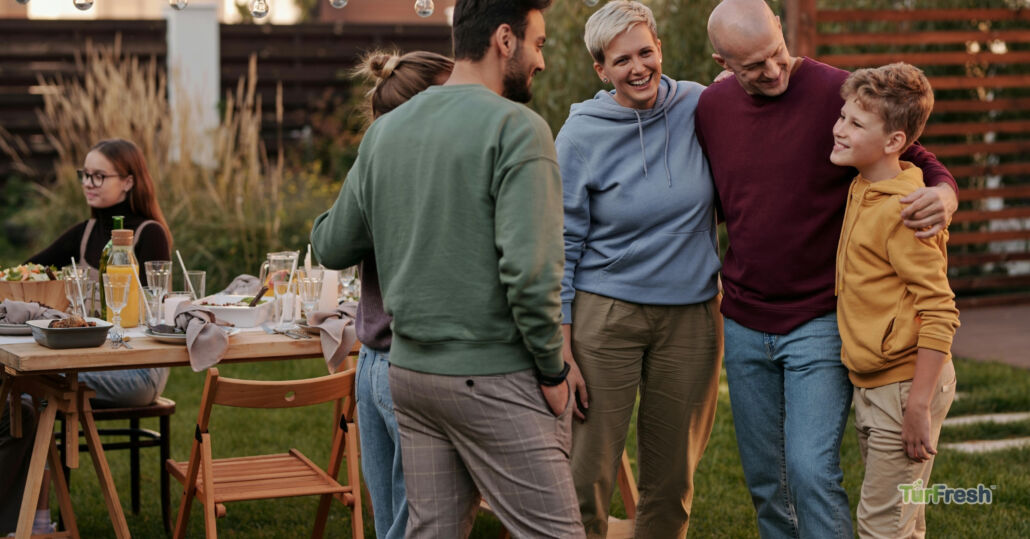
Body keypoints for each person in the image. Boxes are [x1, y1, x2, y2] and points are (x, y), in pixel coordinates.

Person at [311, 1, 583, 536]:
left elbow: (331, 244)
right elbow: (531, 274)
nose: (541, 60)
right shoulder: (520, 130)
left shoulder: (385, 133)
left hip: (411, 377)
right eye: (539, 43)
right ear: (505, 39)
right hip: (491, 372)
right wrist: (553, 372)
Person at [694, 1, 959, 537]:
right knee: (768, 481)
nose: (773, 71)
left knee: (811, 471)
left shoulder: (834, 95)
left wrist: (946, 195)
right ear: (722, 62)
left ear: (780, 30)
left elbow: (911, 152)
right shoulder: (710, 108)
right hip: (744, 320)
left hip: (818, 319)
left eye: (777, 52)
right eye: (752, 67)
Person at [554, 2, 721, 537]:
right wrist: (562, 343)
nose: (638, 67)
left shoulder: (700, 105)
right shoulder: (580, 135)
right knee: (588, 472)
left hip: (692, 315)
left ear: (660, 49)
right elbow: (562, 240)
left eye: (645, 51)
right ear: (601, 70)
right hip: (606, 316)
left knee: (672, 479)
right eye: (620, 59)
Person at [831, 63, 959, 538]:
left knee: (881, 527)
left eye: (855, 124)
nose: (839, 129)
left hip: (906, 386)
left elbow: (940, 310)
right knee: (904, 518)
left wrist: (918, 405)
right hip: (876, 384)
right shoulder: (864, 186)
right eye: (842, 117)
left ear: (893, 141)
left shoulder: (907, 209)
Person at [350, 49, 454, 539]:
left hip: (369, 362)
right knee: (420, 523)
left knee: (391, 520)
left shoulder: (373, 167)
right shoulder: (433, 178)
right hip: (408, 363)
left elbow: (332, 238)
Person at [28, 138, 173, 408]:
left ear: (128, 182)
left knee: (27, 380)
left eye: (99, 176)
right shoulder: (86, 232)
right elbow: (29, 271)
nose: (88, 183)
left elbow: (155, 313)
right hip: (90, 359)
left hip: (138, 369)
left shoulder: (149, 234)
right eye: (85, 175)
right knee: (19, 388)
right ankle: (39, 450)